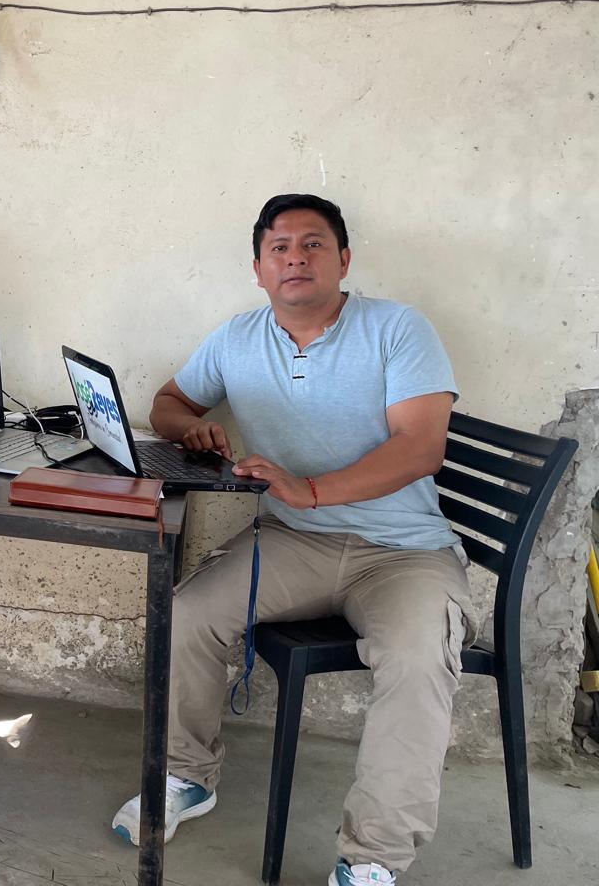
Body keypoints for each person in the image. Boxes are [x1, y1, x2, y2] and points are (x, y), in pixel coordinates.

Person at [111, 194, 474, 886]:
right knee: (185, 614)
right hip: (293, 542)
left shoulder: (398, 328)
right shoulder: (236, 338)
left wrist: (310, 489)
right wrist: (191, 428)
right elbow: (168, 402)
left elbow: (420, 448)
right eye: (279, 247)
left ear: (344, 259)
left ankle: (372, 859)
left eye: (313, 244)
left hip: (403, 551)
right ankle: (187, 776)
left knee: (419, 658)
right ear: (258, 269)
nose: (296, 258)